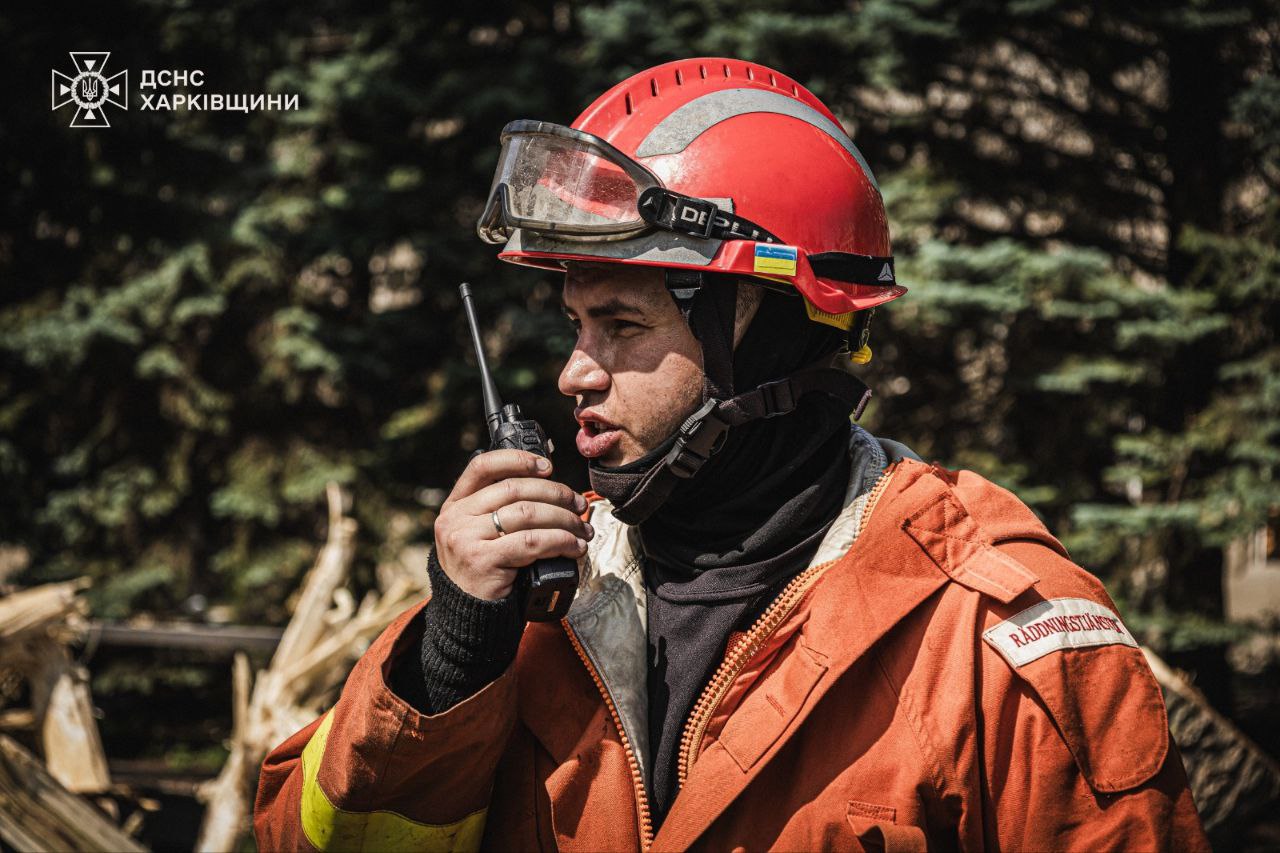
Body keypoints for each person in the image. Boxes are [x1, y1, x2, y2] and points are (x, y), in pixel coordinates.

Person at [254, 57, 1209, 851]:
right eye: (576, 324)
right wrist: (450, 664)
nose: (573, 373)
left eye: (624, 324)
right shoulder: (534, 601)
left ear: (774, 336)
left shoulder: (994, 636)